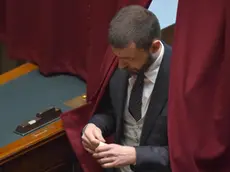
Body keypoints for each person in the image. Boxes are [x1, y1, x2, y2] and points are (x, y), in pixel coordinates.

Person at [81, 5, 171, 172]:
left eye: (129, 59)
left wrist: (137, 155)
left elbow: (189, 152)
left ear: (155, 47)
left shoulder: (182, 78)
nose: (121, 66)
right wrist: (95, 126)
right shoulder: (120, 64)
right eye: (118, 58)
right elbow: (111, 112)